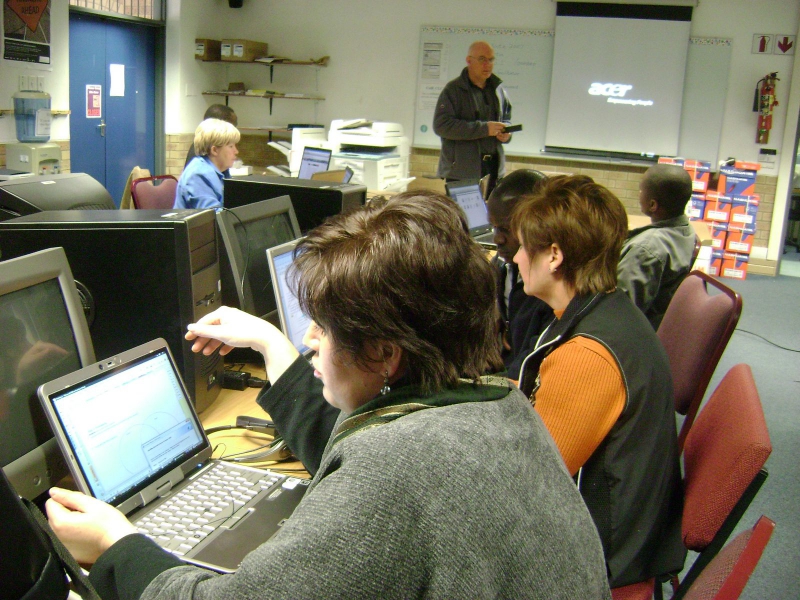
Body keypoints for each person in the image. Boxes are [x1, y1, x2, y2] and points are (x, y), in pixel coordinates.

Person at [44, 191, 612, 600]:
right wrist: (270, 344)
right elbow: (360, 453)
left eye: (324, 327)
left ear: (384, 353)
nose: (310, 339)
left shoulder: (397, 469)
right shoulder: (495, 404)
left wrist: (117, 545)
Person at [511, 175, 685, 588]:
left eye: (522, 247)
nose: (516, 258)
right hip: (623, 537)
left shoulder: (587, 356)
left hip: (598, 562)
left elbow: (526, 487)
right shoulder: (607, 310)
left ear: (554, 256)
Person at [486, 169, 554, 380]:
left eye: (506, 229)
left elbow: (530, 367)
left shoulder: (553, 292)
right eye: (494, 228)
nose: (497, 239)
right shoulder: (502, 267)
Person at [617, 163, 697, 329]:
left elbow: (617, 310)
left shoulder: (645, 249)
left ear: (653, 205)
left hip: (632, 331)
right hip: (655, 320)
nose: (639, 193)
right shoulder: (687, 232)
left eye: (641, 190)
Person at [433, 41, 512, 194]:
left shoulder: (498, 89)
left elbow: (506, 119)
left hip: (494, 168)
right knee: (463, 210)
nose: (487, 64)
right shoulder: (453, 90)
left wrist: (506, 133)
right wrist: (484, 129)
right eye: (482, 59)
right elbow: (442, 125)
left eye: (491, 60)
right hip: (462, 171)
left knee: (491, 210)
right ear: (469, 61)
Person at [174, 118, 240, 210]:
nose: (236, 151)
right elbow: (213, 215)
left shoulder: (222, 171)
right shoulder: (197, 175)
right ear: (214, 150)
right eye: (231, 146)